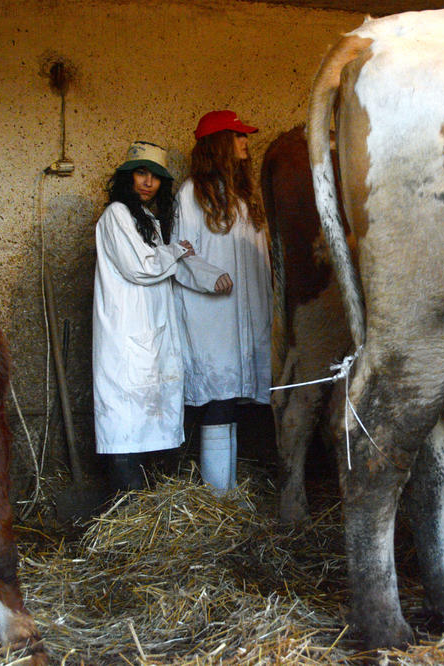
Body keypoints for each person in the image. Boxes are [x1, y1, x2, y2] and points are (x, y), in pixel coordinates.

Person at [93, 140, 232, 491]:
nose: (147, 182)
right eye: (141, 173)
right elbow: (142, 267)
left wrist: (209, 277)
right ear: (127, 176)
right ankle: (126, 509)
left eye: (155, 176)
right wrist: (175, 251)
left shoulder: (150, 223)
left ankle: (147, 501)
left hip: (150, 337)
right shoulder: (116, 216)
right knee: (125, 421)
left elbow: (170, 265)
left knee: (146, 421)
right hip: (126, 338)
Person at [172, 110, 272, 494]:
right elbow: (181, 253)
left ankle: (227, 492)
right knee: (217, 399)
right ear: (219, 143)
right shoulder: (191, 195)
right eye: (238, 136)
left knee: (230, 402)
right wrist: (210, 275)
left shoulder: (245, 198)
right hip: (211, 315)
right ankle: (217, 498)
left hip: (245, 311)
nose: (246, 142)